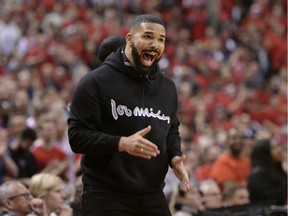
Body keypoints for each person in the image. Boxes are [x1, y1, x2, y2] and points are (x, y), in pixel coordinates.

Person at [68, 14, 190, 216]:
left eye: (161, 40)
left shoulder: (167, 86)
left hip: (152, 194)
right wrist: (121, 143)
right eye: (148, 37)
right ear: (129, 39)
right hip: (107, 195)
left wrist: (175, 156)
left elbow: (171, 128)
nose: (155, 44)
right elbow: (77, 137)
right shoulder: (95, 82)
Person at [247, 138, 287, 205]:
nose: (279, 150)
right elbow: (272, 198)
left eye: (278, 146)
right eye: (274, 148)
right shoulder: (257, 175)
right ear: (264, 153)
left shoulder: (277, 169)